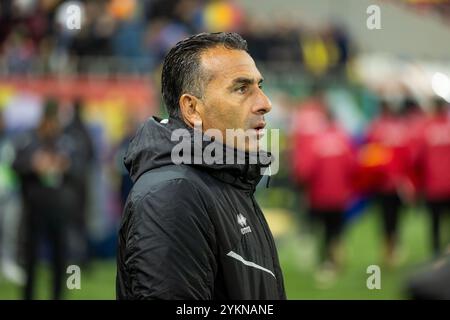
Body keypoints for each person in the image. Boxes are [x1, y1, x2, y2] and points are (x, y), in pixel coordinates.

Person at [116, 32, 286, 299]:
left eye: (259, 87)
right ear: (192, 109)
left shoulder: (227, 180)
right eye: (242, 88)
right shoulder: (172, 195)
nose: (265, 104)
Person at [13, 98, 79, 300]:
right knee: (30, 258)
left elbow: (80, 166)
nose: (52, 125)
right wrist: (34, 164)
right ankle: (28, 295)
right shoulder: (29, 139)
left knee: (60, 258)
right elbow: (16, 163)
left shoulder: (65, 141)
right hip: (34, 207)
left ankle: (58, 295)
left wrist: (63, 164)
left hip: (59, 208)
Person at [416, 97, 450, 256]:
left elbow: (417, 159)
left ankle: (436, 258)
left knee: (435, 223)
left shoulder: (426, 129)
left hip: (433, 186)